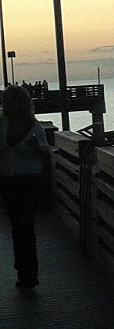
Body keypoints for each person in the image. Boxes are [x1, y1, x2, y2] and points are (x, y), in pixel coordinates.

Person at [0, 85, 51, 289]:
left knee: (25, 226)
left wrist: (37, 148)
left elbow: (46, 152)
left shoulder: (33, 126)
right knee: (18, 227)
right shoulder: (1, 124)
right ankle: (24, 269)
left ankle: (28, 273)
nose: (9, 105)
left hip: (29, 179)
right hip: (7, 179)